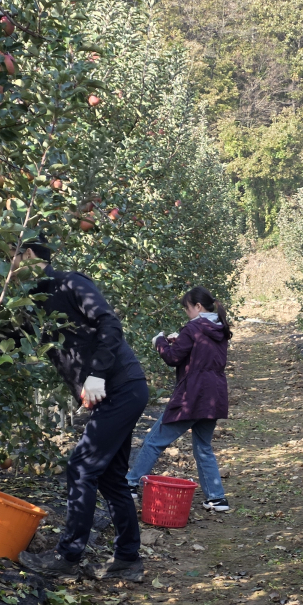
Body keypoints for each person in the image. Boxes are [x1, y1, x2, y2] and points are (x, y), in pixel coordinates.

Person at [15, 241, 149, 582]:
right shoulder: (33, 302)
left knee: (80, 468)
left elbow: (110, 323)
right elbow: (11, 338)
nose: (7, 268)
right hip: (114, 393)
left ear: (28, 256)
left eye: (9, 259)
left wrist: (98, 373)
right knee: (110, 477)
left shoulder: (71, 283)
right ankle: (128, 559)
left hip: (121, 386)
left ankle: (67, 555)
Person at [127, 287, 232, 511]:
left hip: (191, 396)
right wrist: (180, 339)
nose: (187, 313)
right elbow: (202, 355)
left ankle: (131, 483)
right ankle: (217, 498)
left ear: (198, 307)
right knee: (203, 447)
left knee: (155, 440)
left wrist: (160, 342)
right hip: (214, 396)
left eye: (187, 308)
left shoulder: (194, 327)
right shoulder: (220, 328)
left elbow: (173, 358)